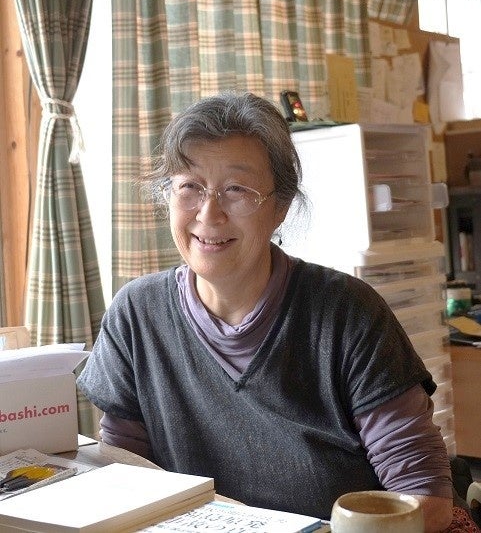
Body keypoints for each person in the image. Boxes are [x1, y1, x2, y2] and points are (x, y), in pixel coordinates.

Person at [77, 91, 455, 531]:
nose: (209, 214)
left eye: (236, 190)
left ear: (280, 207)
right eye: (189, 187)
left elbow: (425, 499)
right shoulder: (136, 314)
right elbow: (124, 474)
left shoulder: (347, 314)